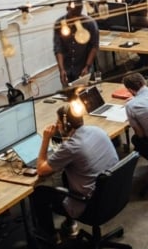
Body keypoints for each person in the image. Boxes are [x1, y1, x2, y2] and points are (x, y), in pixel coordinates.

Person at [31, 104, 118, 245]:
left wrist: (46, 139)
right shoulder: (97, 130)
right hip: (113, 194)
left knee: (39, 192)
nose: (57, 126)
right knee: (66, 174)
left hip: (91, 205)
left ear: (66, 125)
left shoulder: (72, 147)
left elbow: (41, 169)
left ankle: (50, 236)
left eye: (58, 123)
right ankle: (70, 226)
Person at [53, 0, 99, 87]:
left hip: (83, 67)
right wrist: (61, 69)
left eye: (77, 14)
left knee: (86, 93)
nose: (75, 17)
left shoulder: (89, 23)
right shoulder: (60, 24)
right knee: (69, 95)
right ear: (67, 9)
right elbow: (58, 49)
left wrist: (87, 66)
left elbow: (94, 46)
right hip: (67, 69)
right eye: (72, 14)